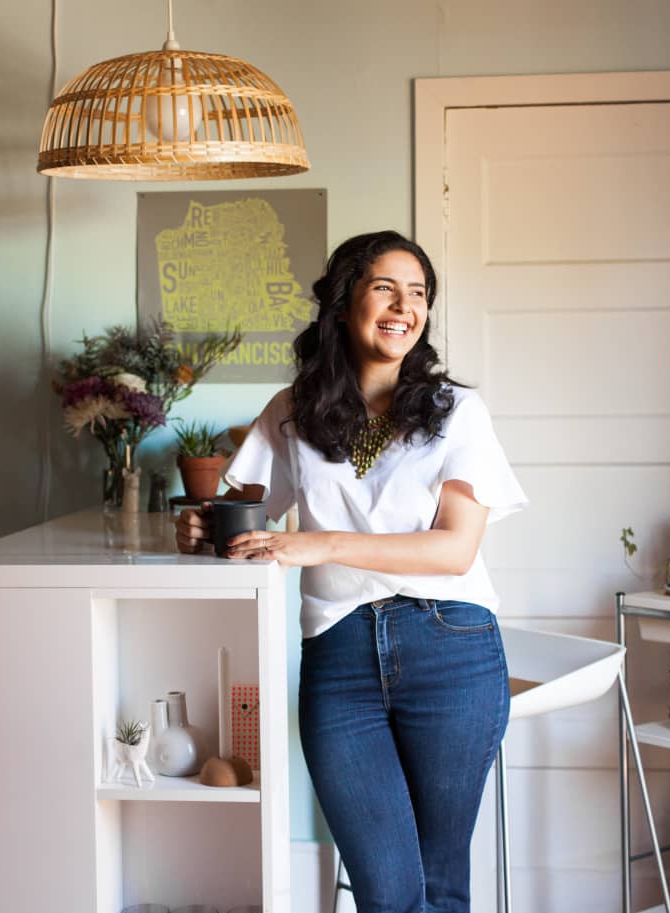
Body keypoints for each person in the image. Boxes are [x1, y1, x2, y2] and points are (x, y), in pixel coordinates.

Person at [175, 230, 528, 913]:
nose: (405, 306)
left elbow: (453, 549)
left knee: (439, 884)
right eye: (385, 288)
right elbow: (243, 518)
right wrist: (200, 529)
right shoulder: (292, 413)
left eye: (419, 292)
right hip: (339, 660)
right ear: (344, 304)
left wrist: (320, 543)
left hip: (449, 648)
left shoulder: (457, 414)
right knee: (387, 891)